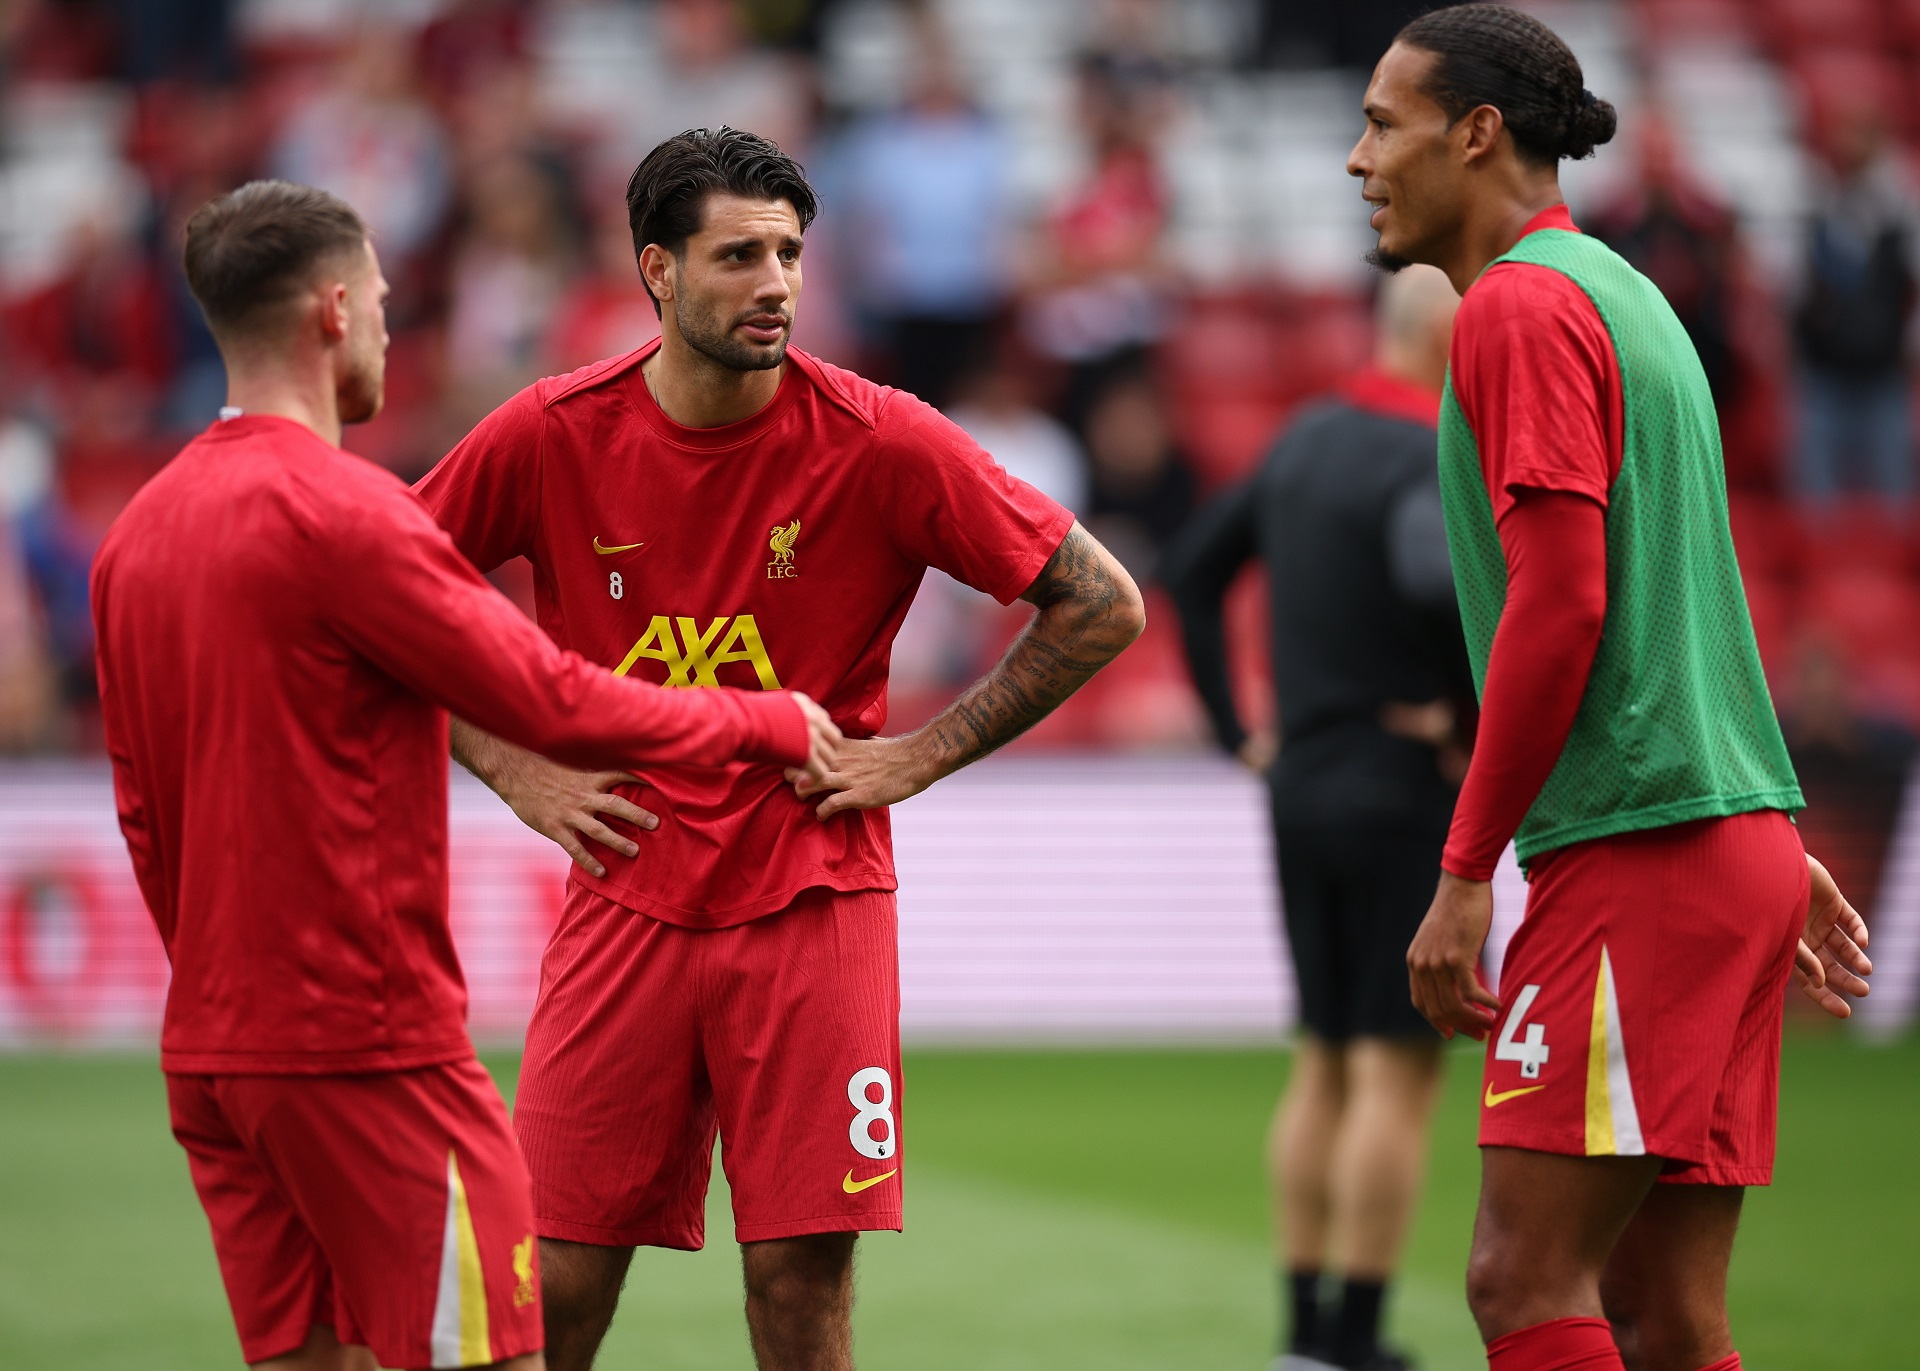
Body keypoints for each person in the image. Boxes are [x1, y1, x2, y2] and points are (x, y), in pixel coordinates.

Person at [411, 127, 1146, 1371]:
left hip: (814, 897)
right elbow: (368, 605)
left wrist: (917, 755)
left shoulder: (882, 437)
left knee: (801, 1287)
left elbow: (1103, 603)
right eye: (739, 256)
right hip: (625, 895)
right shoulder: (552, 431)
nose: (776, 284)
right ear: (657, 269)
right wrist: (515, 768)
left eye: (791, 255)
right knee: (556, 1281)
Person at [90, 179, 840, 1371]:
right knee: (494, 1356)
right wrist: (763, 724)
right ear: (336, 312)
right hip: (369, 1046)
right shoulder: (348, 513)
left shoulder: (138, 531)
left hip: (215, 1056)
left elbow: (139, 807)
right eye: (385, 303)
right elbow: (551, 697)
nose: (391, 332)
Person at [1347, 9, 1875, 1371]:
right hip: (1720, 838)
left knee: (1523, 1281)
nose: (1358, 158)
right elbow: (1680, 591)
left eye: (1383, 123)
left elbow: (1567, 603)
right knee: (1662, 1314)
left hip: (1640, 851)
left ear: (1477, 134)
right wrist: (1755, 829)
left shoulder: (1516, 307)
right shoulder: (1627, 294)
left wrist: (1465, 868)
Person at [1164, 265, 1467, 1371]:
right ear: (1442, 337)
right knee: (1396, 1069)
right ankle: (1356, 1335)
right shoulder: (1429, 453)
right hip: (1399, 784)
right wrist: (1463, 712)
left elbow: (1190, 574)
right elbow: (1437, 584)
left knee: (1325, 1059)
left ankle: (1303, 1331)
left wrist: (1231, 729)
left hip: (1299, 784)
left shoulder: (1300, 442)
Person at [1789, 101, 1920, 509]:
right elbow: (1799, 288)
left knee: (1895, 500)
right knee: (1814, 505)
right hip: (1824, 373)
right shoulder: (1820, 206)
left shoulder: (1900, 212)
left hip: (1882, 376)